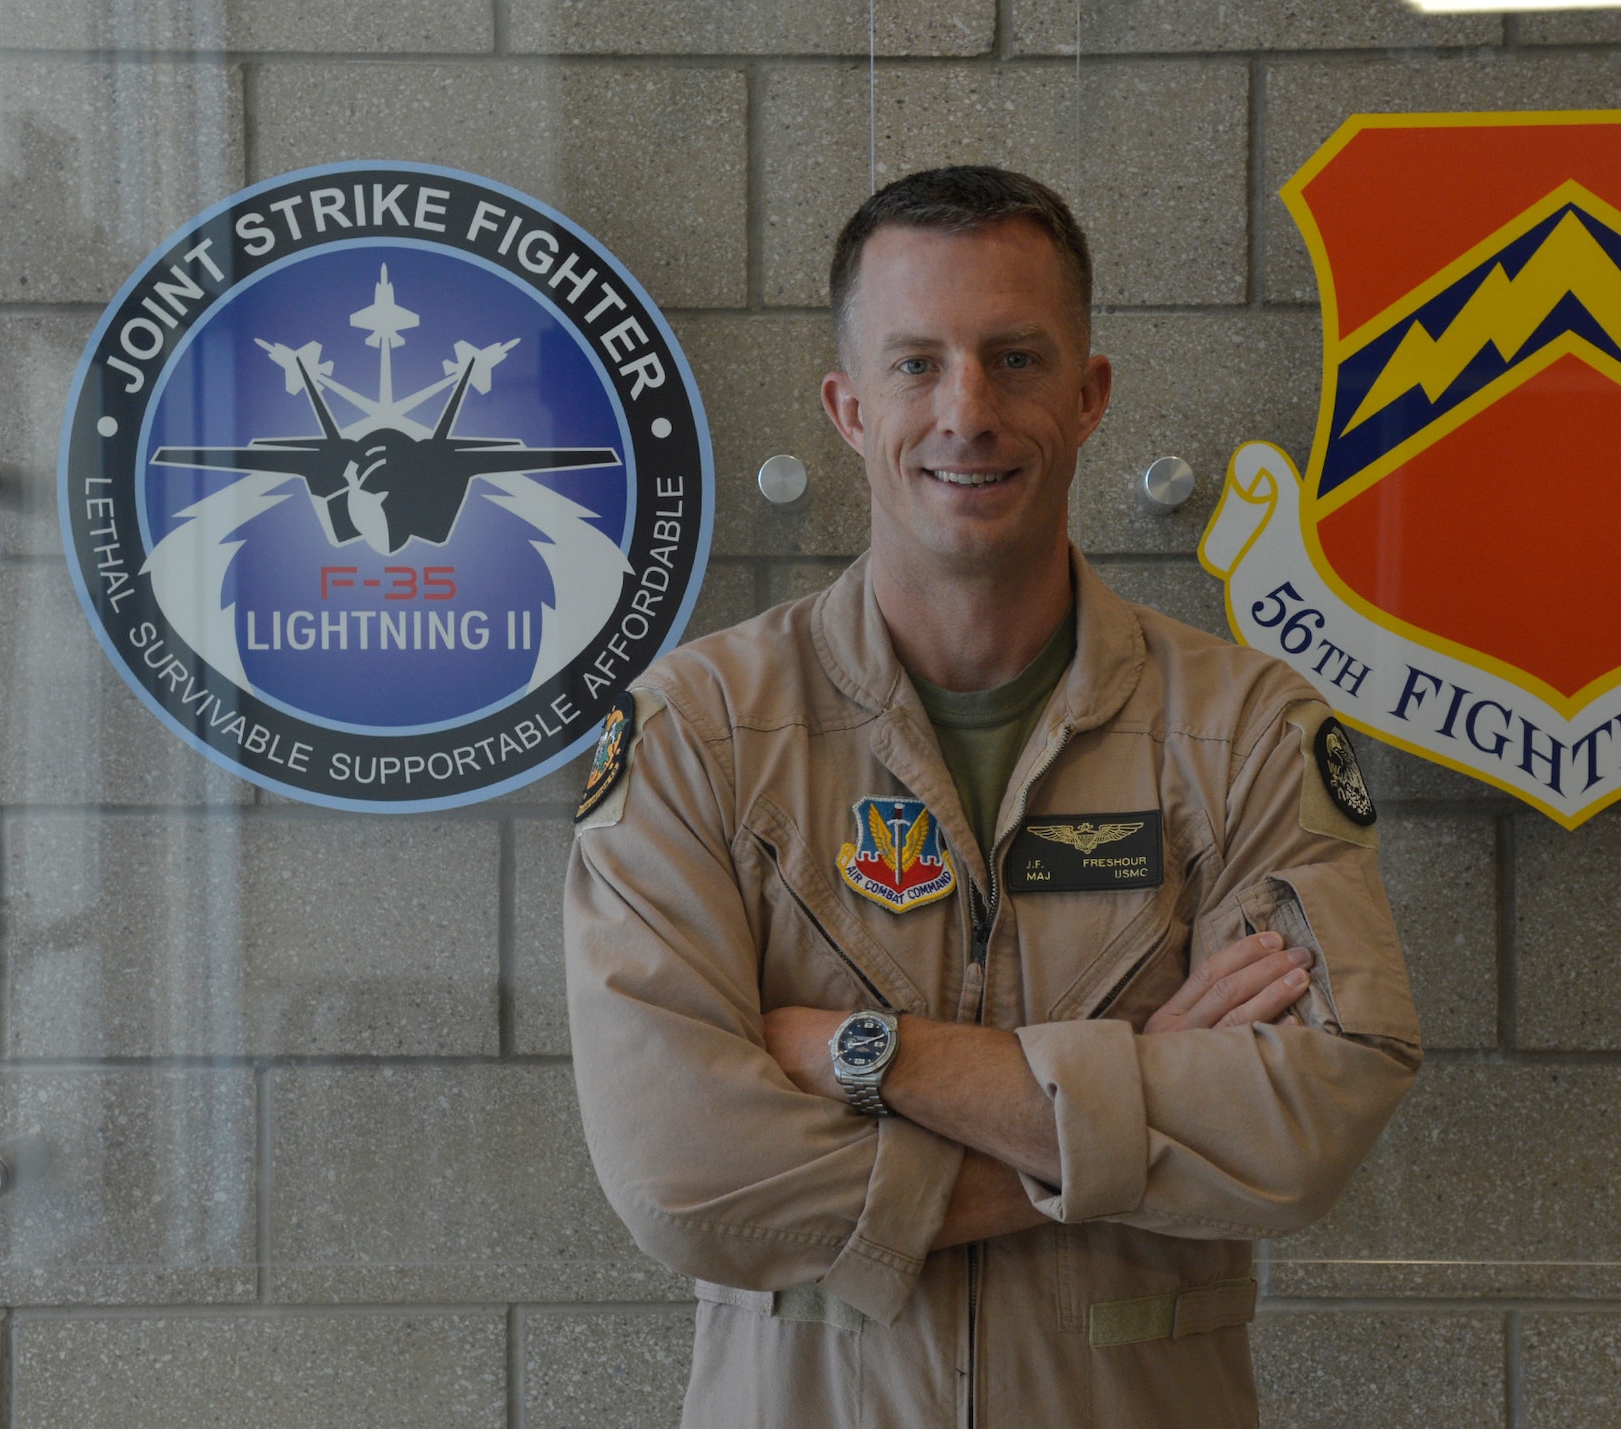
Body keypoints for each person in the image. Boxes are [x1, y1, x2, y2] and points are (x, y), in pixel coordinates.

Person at [565, 165, 1420, 1428]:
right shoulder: (700, 733)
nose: (966, 410)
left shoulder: (1243, 729)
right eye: (916, 364)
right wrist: (1136, 1094)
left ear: (1089, 395)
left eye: (1015, 360)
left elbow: (1312, 1109)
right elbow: (686, 1178)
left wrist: (871, 1054)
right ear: (848, 408)